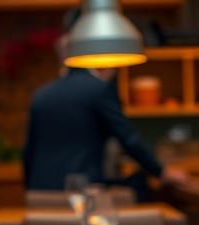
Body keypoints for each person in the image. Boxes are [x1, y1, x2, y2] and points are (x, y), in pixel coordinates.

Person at [21, 11, 189, 193]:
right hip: (82, 192)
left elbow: (28, 152)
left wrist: (31, 191)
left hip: (39, 193)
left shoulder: (41, 94)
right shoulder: (99, 89)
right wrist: (161, 172)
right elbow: (129, 139)